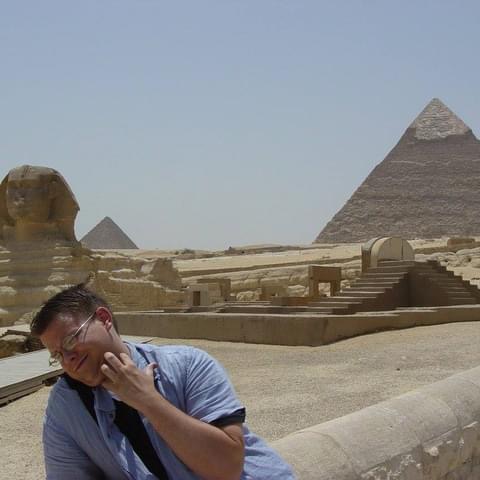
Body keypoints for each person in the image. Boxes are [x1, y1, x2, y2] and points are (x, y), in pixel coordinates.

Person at [31, 283, 295, 480]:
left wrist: (148, 402)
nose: (68, 359)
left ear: (104, 318)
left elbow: (226, 468)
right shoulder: (66, 405)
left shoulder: (188, 364)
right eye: (57, 355)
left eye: (71, 340)